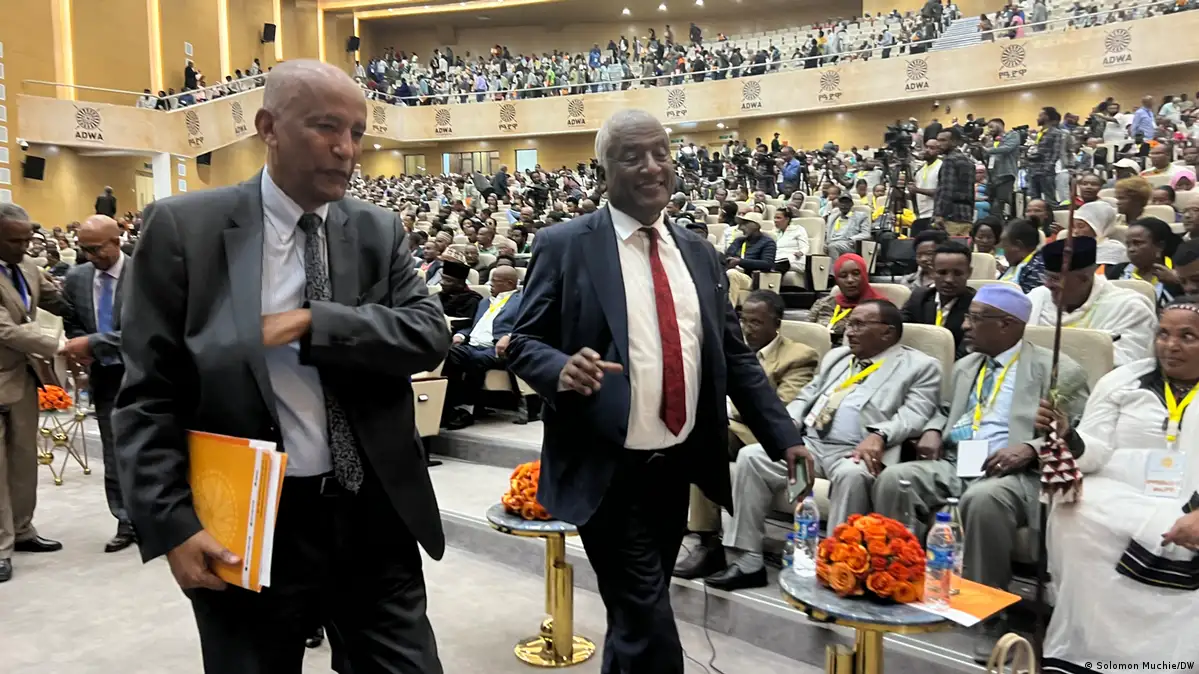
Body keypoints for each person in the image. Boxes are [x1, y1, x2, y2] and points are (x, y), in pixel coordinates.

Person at [113, 60, 449, 673]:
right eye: (326, 127)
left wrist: (310, 322)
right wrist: (171, 524)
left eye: (356, 132)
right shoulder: (185, 229)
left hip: (371, 515)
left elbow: (428, 334)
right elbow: (148, 394)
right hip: (250, 519)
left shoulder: (377, 230)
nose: (346, 149)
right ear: (268, 127)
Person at [505, 109, 802, 674]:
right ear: (604, 170)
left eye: (660, 153)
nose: (651, 167)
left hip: (675, 467)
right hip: (604, 467)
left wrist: (782, 435)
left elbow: (735, 357)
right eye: (632, 156)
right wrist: (559, 367)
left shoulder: (699, 253)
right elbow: (520, 340)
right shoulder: (565, 244)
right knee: (648, 621)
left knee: (636, 614)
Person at [872, 284, 1089, 662]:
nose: (965, 326)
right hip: (957, 462)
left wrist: (1030, 448)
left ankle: (988, 613)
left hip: (1017, 474)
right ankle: (897, 582)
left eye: (975, 319)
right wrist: (933, 429)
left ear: (1007, 325)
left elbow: (1080, 436)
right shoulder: (966, 365)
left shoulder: (1057, 370)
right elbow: (943, 409)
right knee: (895, 479)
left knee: (984, 499)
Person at [710, 299, 941, 589]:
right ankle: (748, 561)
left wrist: (880, 435)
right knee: (752, 457)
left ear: (887, 332)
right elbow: (807, 396)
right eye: (849, 324)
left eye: (858, 325)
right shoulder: (838, 357)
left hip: (858, 450)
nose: (849, 331)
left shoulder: (920, 366)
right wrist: (787, 430)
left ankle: (838, 567)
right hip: (812, 444)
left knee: (852, 474)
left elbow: (915, 414)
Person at [1041, 298, 1199, 669]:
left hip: (1190, 502)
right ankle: (1088, 653)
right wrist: (1069, 436)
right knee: (1074, 511)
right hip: (1122, 497)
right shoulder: (1122, 382)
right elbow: (1095, 450)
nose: (1171, 345)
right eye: (1163, 334)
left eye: (1187, 337)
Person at [673, 290, 819, 580]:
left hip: (763, 436)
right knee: (697, 436)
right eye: (744, 321)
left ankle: (711, 545)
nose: (748, 329)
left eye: (757, 322)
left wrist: (727, 403)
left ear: (776, 324)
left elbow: (780, 408)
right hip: (729, 427)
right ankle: (704, 538)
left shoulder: (799, 356)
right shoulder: (730, 347)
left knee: (710, 433)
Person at [0, 203, 68, 584]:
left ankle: (23, 529)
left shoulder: (26, 266)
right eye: (15, 240)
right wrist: (61, 346)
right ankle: (1, 546)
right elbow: (6, 330)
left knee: (25, 460)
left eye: (28, 239)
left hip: (24, 379)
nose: (25, 247)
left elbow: (57, 300)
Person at [59, 215, 135, 553]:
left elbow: (145, 329)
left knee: (155, 447)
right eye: (84, 249)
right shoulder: (77, 277)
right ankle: (125, 521)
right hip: (104, 378)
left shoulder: (144, 273)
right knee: (113, 452)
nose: (90, 256)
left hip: (146, 374)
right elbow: (72, 321)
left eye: (96, 249)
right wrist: (82, 348)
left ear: (117, 242)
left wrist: (93, 343)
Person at [1027, 237, 1158, 367]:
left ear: (1085, 278)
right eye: (1046, 277)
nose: (1048, 285)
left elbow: (1128, 364)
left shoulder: (1128, 308)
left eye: (1055, 279)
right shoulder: (1037, 298)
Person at [440, 266, 522, 430]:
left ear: (509, 283)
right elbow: (472, 326)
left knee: (476, 360)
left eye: (495, 281)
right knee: (448, 354)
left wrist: (509, 336)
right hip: (472, 344)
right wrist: (461, 335)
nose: (490, 284)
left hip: (497, 348)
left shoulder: (521, 301)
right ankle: (448, 407)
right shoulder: (484, 302)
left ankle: (468, 409)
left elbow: (526, 327)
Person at [900, 241, 977, 359]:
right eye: (942, 272)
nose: (949, 279)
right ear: (932, 272)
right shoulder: (919, 297)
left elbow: (965, 354)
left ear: (969, 273)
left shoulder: (976, 308)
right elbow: (897, 329)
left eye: (957, 273)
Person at [1105, 216, 1183, 311]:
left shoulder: (1180, 273)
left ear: (1160, 246)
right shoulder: (1119, 271)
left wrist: (1178, 283)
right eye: (1128, 244)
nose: (1131, 249)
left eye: (1137, 243)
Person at [809, 253, 887, 347]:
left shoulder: (880, 308)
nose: (850, 280)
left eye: (856, 274)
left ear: (865, 275)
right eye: (843, 276)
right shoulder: (823, 303)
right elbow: (807, 334)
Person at [725, 212, 778, 306]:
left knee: (732, 273)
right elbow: (728, 256)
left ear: (756, 226)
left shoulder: (768, 242)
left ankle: (729, 311)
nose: (740, 228)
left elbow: (767, 264)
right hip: (731, 273)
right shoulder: (739, 241)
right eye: (740, 225)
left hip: (751, 278)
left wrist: (740, 262)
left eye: (744, 224)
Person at [933, 127, 977, 235]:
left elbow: (947, 190)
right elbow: (971, 193)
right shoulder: (969, 161)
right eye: (938, 140)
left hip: (950, 217)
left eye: (943, 140)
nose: (938, 144)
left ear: (954, 142)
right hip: (966, 216)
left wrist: (939, 214)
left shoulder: (949, 160)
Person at [434, 249, 484, 328]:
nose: (442, 283)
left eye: (448, 281)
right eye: (443, 279)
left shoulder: (472, 300)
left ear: (460, 284)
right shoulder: (440, 296)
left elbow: (466, 324)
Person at [1070, 199, 1128, 266]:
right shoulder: (1069, 248)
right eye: (1073, 227)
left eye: (1081, 226)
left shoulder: (1113, 250)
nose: (1075, 231)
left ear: (1098, 226)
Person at [1028, 107, 1067, 205]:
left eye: (1040, 115)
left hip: (1046, 171)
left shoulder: (1056, 132)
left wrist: (1048, 167)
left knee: (1050, 200)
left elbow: (1056, 152)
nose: (1037, 118)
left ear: (1047, 117)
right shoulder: (1040, 133)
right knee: (1034, 199)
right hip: (1033, 169)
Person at [998, 218, 1046, 293]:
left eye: (1005, 246)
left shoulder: (1037, 270)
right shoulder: (1018, 263)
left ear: (1018, 246)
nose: (1003, 251)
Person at [824, 194, 871, 259]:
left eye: (846, 203)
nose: (844, 205)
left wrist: (851, 239)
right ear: (838, 204)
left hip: (849, 244)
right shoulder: (832, 217)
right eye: (842, 203)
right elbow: (826, 233)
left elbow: (866, 234)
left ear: (851, 204)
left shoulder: (861, 216)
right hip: (832, 242)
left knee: (833, 247)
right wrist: (825, 243)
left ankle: (835, 266)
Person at [771, 208, 809, 274]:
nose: (775, 220)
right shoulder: (775, 232)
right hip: (778, 258)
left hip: (794, 259)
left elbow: (805, 247)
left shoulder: (798, 229)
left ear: (787, 219)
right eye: (775, 218)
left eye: (778, 218)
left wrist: (800, 252)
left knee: (777, 266)